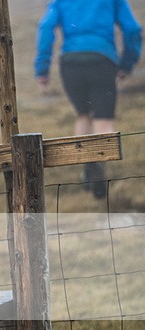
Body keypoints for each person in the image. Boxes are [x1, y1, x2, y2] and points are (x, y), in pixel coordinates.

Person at [34, 0, 142, 198]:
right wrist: (127, 63)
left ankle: (87, 167)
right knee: (103, 119)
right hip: (102, 60)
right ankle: (99, 170)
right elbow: (132, 29)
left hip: (71, 62)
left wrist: (42, 68)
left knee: (83, 115)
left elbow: (46, 27)